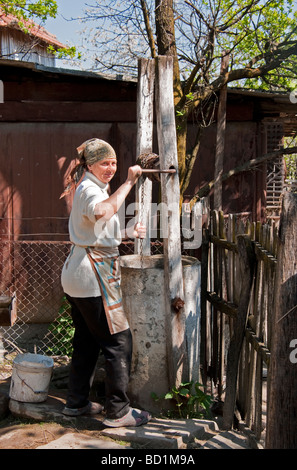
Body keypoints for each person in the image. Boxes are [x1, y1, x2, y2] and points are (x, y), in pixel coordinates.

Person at [60, 138, 151, 427]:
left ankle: (76, 404)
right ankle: (118, 411)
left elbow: (94, 228)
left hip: (79, 273)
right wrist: (129, 182)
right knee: (118, 343)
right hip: (92, 277)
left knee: (87, 341)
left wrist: (124, 232)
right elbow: (101, 212)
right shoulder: (89, 189)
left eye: (113, 163)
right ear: (89, 165)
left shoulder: (93, 187)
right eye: (104, 163)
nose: (110, 168)